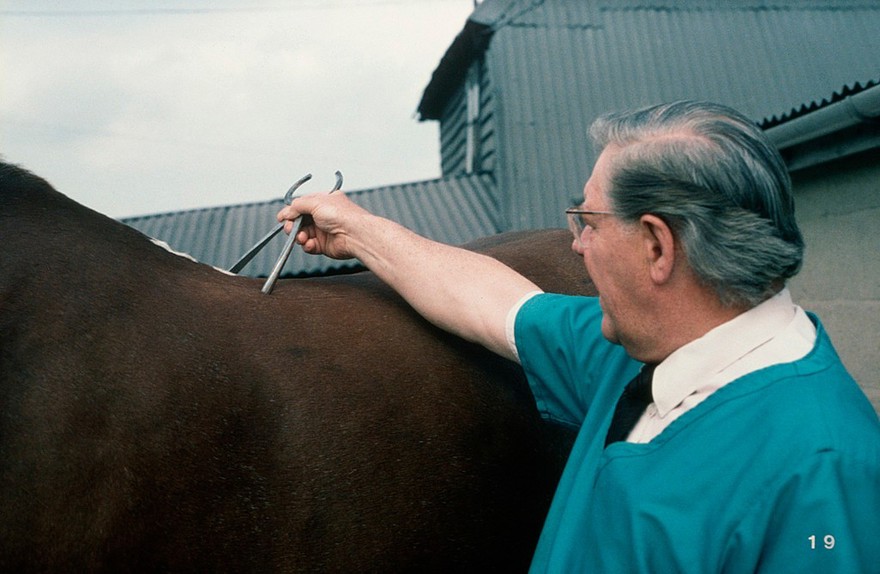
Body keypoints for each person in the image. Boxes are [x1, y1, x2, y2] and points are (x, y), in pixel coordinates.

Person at [277, 100, 880, 572]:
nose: (576, 244)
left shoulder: (824, 472)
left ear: (656, 246)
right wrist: (356, 230)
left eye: (588, 222)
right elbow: (497, 304)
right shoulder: (637, 354)